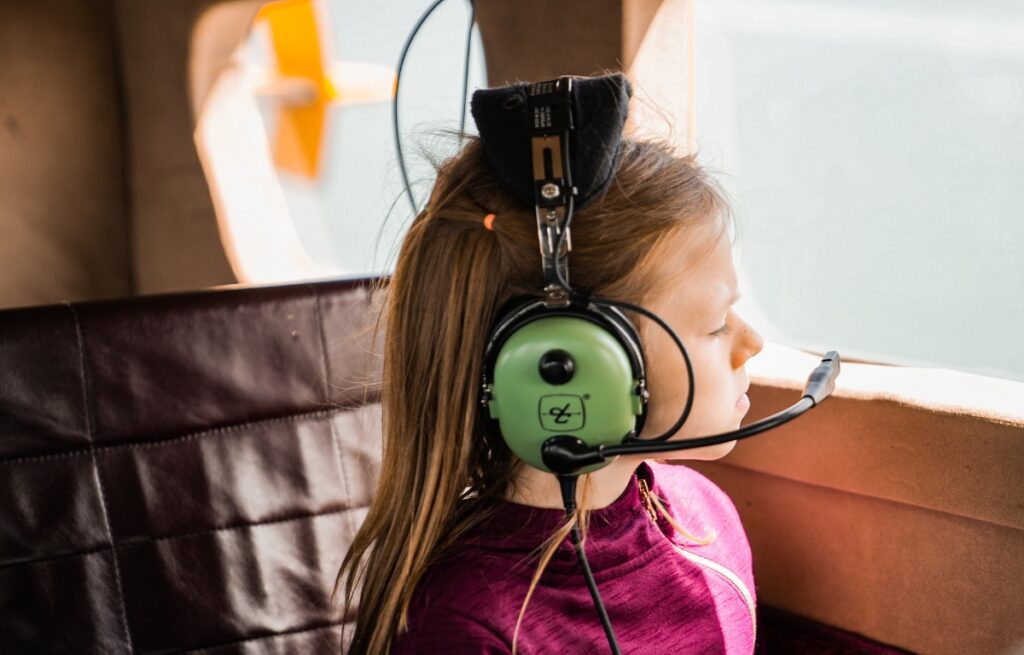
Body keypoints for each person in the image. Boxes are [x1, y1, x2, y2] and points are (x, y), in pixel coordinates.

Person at [335, 93, 765, 653]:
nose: (751, 343)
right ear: (571, 359)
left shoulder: (704, 515)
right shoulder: (468, 627)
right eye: (714, 324)